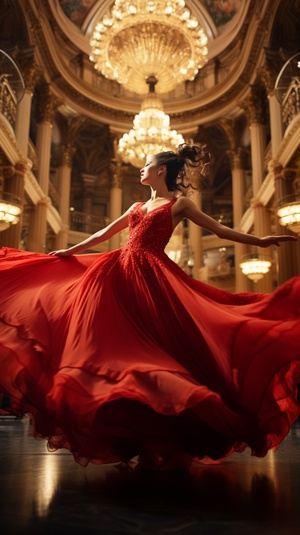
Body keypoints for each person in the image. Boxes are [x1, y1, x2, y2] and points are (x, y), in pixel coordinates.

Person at [0, 143, 299, 471]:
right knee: (112, 343)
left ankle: (173, 421)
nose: (140, 168)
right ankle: (128, 426)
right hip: (119, 270)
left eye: (146, 164)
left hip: (152, 274)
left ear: (161, 171)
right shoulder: (137, 205)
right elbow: (105, 232)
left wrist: (261, 241)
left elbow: (219, 230)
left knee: (161, 345)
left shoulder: (180, 204)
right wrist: (71, 249)